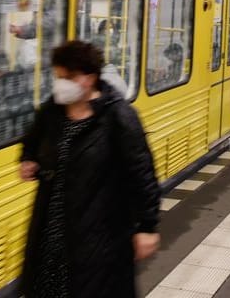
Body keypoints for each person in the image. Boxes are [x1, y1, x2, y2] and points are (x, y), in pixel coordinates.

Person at [18, 40, 161, 298]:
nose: (61, 83)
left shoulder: (118, 117)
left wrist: (147, 226)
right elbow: (32, 141)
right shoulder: (52, 111)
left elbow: (142, 174)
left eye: (69, 77)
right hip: (52, 229)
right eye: (59, 76)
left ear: (90, 77)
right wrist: (28, 159)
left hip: (100, 235)